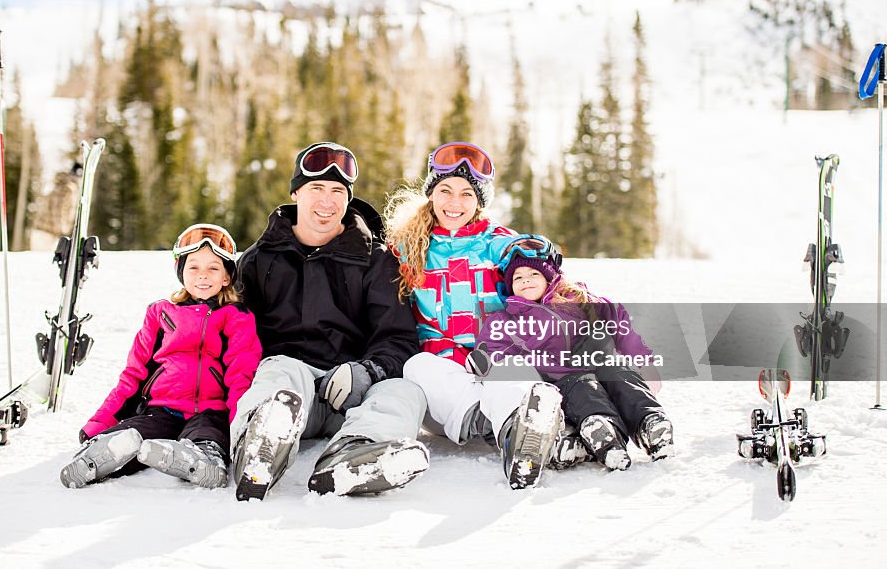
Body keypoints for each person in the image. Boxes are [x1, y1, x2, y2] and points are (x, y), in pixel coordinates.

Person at [231, 142, 428, 501]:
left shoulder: (375, 260)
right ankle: (257, 449)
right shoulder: (259, 260)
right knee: (279, 371)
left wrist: (367, 372)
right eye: (316, 188)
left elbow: (397, 338)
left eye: (338, 191)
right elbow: (233, 333)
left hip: (349, 395)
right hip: (291, 397)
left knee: (407, 391)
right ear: (296, 193)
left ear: (348, 199)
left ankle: (353, 455)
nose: (327, 201)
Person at [385, 142, 565, 489]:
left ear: (479, 201)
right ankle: (496, 423)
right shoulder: (406, 247)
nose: (455, 203)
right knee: (415, 367)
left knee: (510, 372)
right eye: (446, 191)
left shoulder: (498, 243)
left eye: (467, 194)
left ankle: (520, 435)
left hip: (494, 363)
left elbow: (534, 268)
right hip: (449, 384)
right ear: (431, 193)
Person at [60, 224, 261, 489]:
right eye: (194, 267)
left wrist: (239, 429)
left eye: (213, 268)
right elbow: (134, 373)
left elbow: (241, 375)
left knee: (209, 436)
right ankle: (100, 456)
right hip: (162, 409)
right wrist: (101, 420)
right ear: (181, 273)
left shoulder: (236, 317)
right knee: (134, 434)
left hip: (211, 411)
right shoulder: (161, 313)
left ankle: (202, 460)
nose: (203, 275)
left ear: (226, 277)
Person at [471, 235, 674, 470]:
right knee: (583, 388)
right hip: (565, 379)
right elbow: (494, 351)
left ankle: (651, 423)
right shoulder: (507, 318)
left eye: (534, 274)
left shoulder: (579, 299)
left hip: (603, 364)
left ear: (550, 276)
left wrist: (644, 362)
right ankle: (603, 433)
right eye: (518, 277)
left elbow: (621, 327)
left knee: (621, 373)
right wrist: (488, 360)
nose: (526, 281)